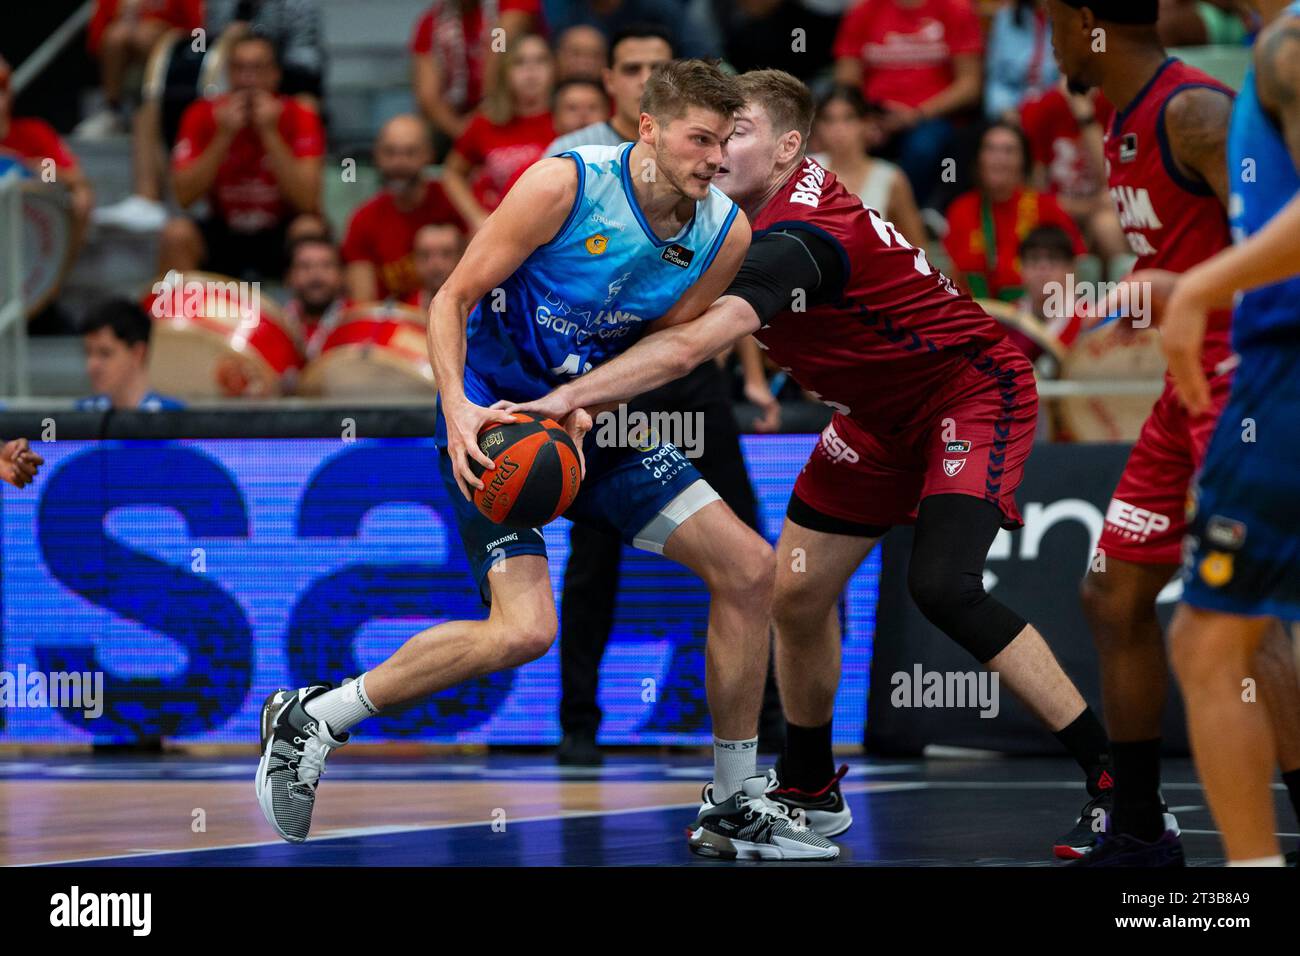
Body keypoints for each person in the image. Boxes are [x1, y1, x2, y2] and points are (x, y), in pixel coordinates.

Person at [507, 68, 1116, 858]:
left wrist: (562, 402)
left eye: (742, 135)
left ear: (790, 147)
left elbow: (693, 344)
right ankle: (807, 787)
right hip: (871, 418)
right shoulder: (719, 216)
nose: (721, 150)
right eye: (715, 135)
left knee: (942, 585)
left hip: (967, 392)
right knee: (794, 593)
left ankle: (1117, 787)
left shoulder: (802, 234)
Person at [254, 60, 837, 860]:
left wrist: (589, 408)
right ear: (648, 129)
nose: (712, 159)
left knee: (748, 568)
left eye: (724, 141)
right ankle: (317, 715)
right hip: (497, 424)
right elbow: (450, 297)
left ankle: (735, 800)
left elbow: (660, 349)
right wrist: (457, 409)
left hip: (592, 422)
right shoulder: (562, 185)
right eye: (697, 140)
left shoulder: (724, 233)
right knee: (524, 632)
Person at [1047, 0, 1300, 865]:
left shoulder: (1194, 110)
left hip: (1242, 381)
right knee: (1112, 592)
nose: (1047, 41)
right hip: (1184, 384)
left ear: (1083, 21)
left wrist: (1186, 288)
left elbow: (1270, 249)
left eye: (1050, 19)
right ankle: (1140, 829)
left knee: (1239, 627)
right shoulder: (1120, 119)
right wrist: (1168, 288)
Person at [1135, 0, 1300, 867]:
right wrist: (1203, 283)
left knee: (1211, 635)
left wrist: (1204, 289)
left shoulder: (1289, 44)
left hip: (1287, 376)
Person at [157, 33, 326, 280]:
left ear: (275, 74)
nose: (248, 80)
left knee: (309, 228)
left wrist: (270, 134)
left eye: (257, 69)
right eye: (239, 68)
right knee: (176, 234)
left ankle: (307, 318)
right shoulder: (201, 113)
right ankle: (178, 317)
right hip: (225, 229)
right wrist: (223, 136)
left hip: (280, 231)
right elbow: (184, 196)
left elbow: (307, 200)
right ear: (228, 73)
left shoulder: (301, 114)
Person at [832, 0, 984, 206]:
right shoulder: (864, 10)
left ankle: (911, 216)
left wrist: (917, 114)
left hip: (933, 116)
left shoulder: (955, 8)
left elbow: (970, 85)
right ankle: (843, 214)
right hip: (874, 114)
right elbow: (846, 80)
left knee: (923, 149)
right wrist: (865, 118)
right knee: (839, 134)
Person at [943, 121, 1085, 301]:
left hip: (1032, 319)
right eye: (990, 149)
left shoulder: (1046, 207)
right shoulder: (961, 209)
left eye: (1008, 151)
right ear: (978, 158)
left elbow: (1074, 267)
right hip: (973, 317)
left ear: (1024, 162)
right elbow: (952, 275)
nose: (998, 158)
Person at [340, 115, 465, 303]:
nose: (399, 162)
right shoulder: (363, 220)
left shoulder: (455, 203)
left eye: (410, 153)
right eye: (390, 152)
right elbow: (363, 303)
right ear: (377, 155)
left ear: (429, 155)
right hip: (394, 326)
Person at [441, 32, 556, 232]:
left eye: (540, 60)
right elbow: (452, 173)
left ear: (555, 69)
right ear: (505, 72)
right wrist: (475, 216)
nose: (531, 71)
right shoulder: (485, 122)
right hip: (498, 231)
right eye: (520, 62)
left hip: (553, 232)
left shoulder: (568, 117)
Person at [0, 56, 95, 260]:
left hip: (30, 222)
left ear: (9, 94)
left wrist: (27, 165)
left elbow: (69, 177)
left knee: (81, 196)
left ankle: (54, 282)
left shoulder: (34, 132)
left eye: (1, 89)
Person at [410, 0, 543, 145]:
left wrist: (483, 111)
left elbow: (499, 49)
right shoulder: (430, 23)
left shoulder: (511, 5)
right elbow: (428, 96)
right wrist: (465, 132)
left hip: (506, 109)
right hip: (456, 122)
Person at [810, 86, 925, 249]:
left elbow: (919, 248)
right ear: (818, 126)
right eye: (829, 120)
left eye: (848, 118)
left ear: (866, 123)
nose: (838, 129)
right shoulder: (805, 169)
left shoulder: (891, 179)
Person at [76, 0, 205, 139]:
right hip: (126, 53)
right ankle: (113, 111)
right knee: (116, 36)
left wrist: (177, 38)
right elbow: (94, 42)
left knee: (143, 36)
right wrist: (123, 22)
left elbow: (199, 27)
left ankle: (159, 114)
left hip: (173, 48)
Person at [545, 24, 673, 155]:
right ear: (609, 81)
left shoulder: (692, 147)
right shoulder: (568, 151)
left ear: (675, 80)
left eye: (658, 70)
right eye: (631, 70)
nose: (645, 80)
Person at [76, 298, 185, 411]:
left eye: (105, 353)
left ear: (138, 353)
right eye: (88, 353)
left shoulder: (174, 417)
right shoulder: (82, 413)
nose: (92, 365)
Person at [284, 236, 346, 347]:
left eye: (326, 266)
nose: (315, 274)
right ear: (290, 276)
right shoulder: (280, 326)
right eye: (305, 266)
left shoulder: (358, 320)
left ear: (341, 275)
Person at [406, 222, 465, 311]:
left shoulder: (480, 314)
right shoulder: (402, 312)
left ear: (462, 257)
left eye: (446, 254)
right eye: (425, 255)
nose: (435, 264)